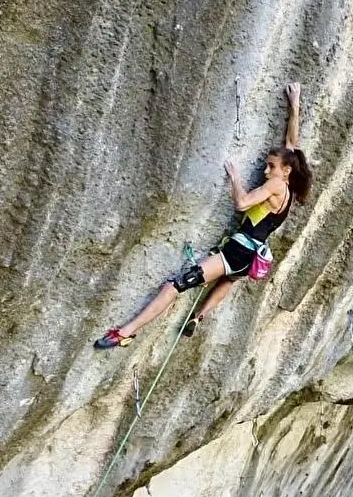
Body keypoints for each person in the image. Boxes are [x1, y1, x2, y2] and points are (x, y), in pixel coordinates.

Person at [95, 82, 312, 349]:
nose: (266, 171)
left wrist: (235, 178)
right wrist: (294, 104)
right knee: (227, 279)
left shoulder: (276, 184)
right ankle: (200, 314)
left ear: (286, 170)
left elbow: (242, 203)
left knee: (176, 285)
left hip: (236, 252)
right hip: (250, 258)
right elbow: (292, 144)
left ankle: (125, 332)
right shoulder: (289, 189)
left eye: (271, 166)